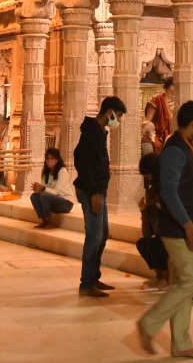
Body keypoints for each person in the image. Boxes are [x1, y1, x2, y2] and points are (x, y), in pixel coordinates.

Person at [138, 100, 193, 359]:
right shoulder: (174, 151)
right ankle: (149, 323)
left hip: (183, 226)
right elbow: (168, 192)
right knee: (191, 281)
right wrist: (189, 225)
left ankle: (181, 343)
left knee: (182, 284)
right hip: (177, 229)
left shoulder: (187, 148)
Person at [74, 95, 126, 297]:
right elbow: (83, 162)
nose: (118, 120)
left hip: (98, 190)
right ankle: (86, 284)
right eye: (118, 116)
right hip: (91, 191)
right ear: (109, 112)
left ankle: (93, 277)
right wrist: (94, 192)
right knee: (94, 237)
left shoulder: (98, 131)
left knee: (102, 235)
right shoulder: (92, 132)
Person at [136, 153, 170, 291]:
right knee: (144, 243)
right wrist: (144, 211)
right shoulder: (153, 189)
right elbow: (147, 232)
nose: (148, 179)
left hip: (171, 231)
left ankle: (168, 278)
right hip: (160, 231)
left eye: (149, 176)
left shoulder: (165, 185)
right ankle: (160, 276)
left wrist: (159, 206)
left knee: (156, 244)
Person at [29, 147, 74, 229]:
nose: (49, 160)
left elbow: (56, 192)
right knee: (34, 196)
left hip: (66, 203)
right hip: (52, 201)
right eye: (47, 158)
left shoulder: (62, 171)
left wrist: (42, 188)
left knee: (43, 195)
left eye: (52, 158)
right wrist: (37, 189)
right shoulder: (45, 172)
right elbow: (44, 190)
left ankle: (52, 223)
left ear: (57, 160)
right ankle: (45, 221)